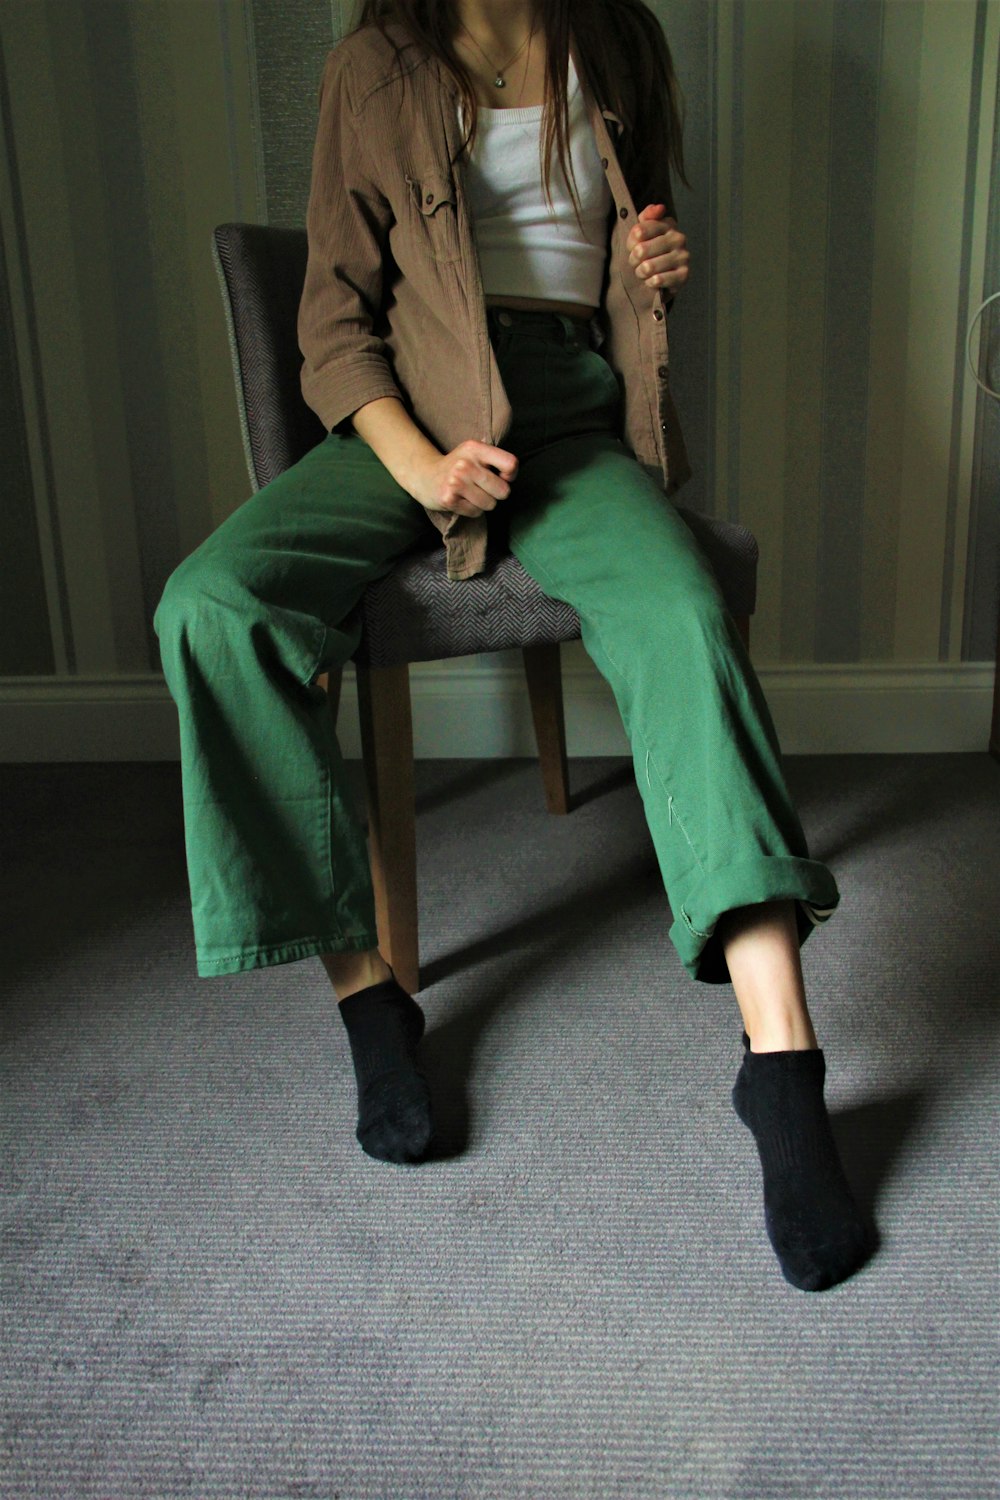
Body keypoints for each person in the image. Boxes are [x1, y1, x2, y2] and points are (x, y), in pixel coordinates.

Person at [154, 0, 874, 1293]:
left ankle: (783, 1073)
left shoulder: (619, 39)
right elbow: (331, 319)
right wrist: (423, 463)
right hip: (410, 411)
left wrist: (645, 271)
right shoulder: (373, 65)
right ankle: (370, 998)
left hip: (572, 413)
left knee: (684, 615)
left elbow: (611, 261)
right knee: (212, 606)